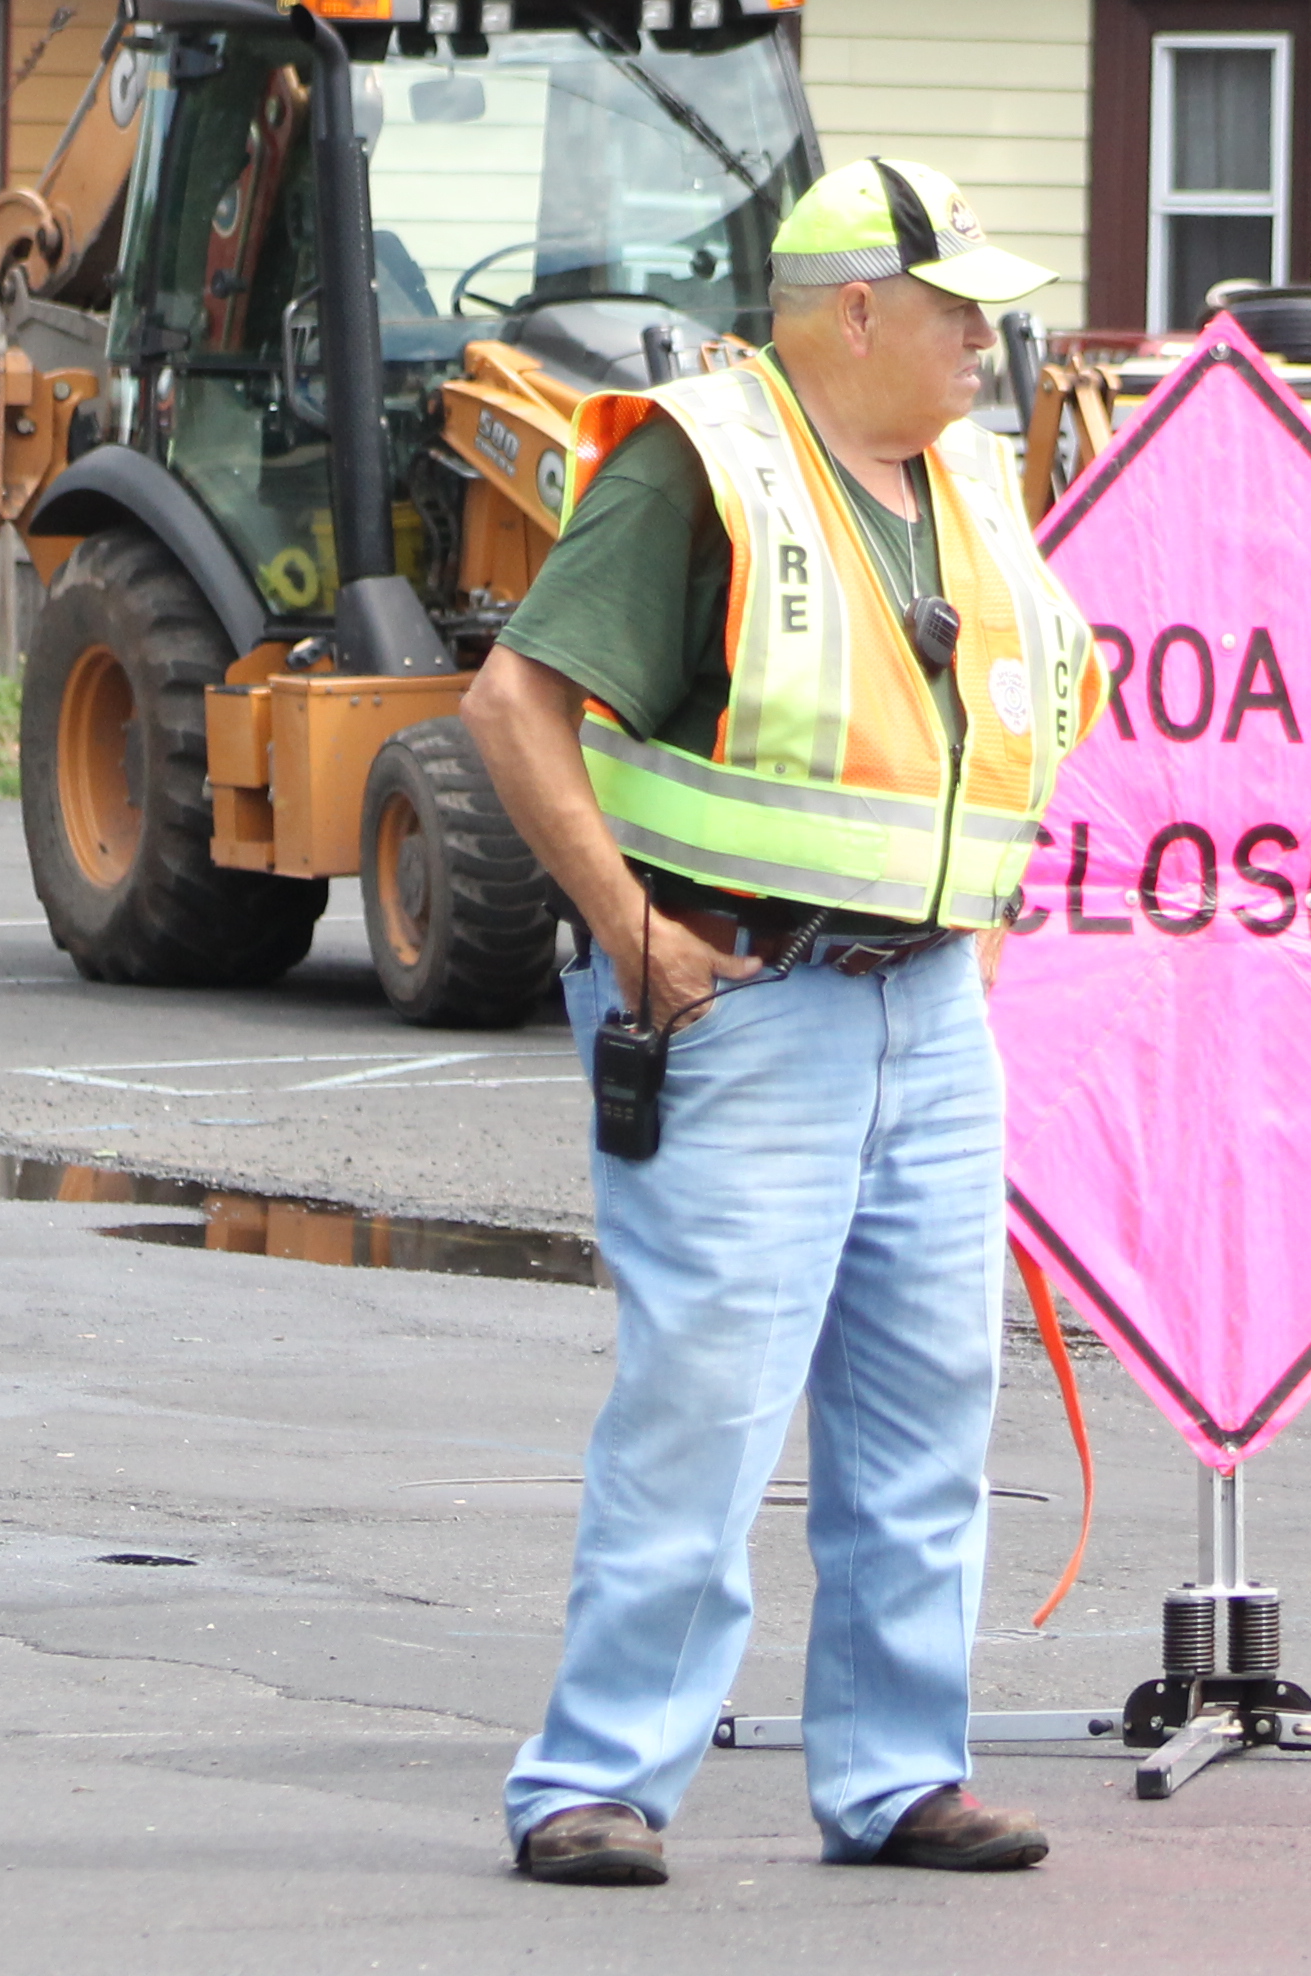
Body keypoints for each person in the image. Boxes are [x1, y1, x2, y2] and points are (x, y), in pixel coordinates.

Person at [465, 157, 1104, 1888]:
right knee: (707, 1404)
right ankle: (594, 1780)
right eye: (958, 308)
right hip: (745, 1001)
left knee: (926, 1410)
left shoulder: (968, 476)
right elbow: (512, 704)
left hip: (923, 1005)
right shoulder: (705, 462)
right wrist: (632, 936)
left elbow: (1000, 730)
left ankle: (899, 1776)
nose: (988, 338)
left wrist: (969, 943)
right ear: (856, 312)